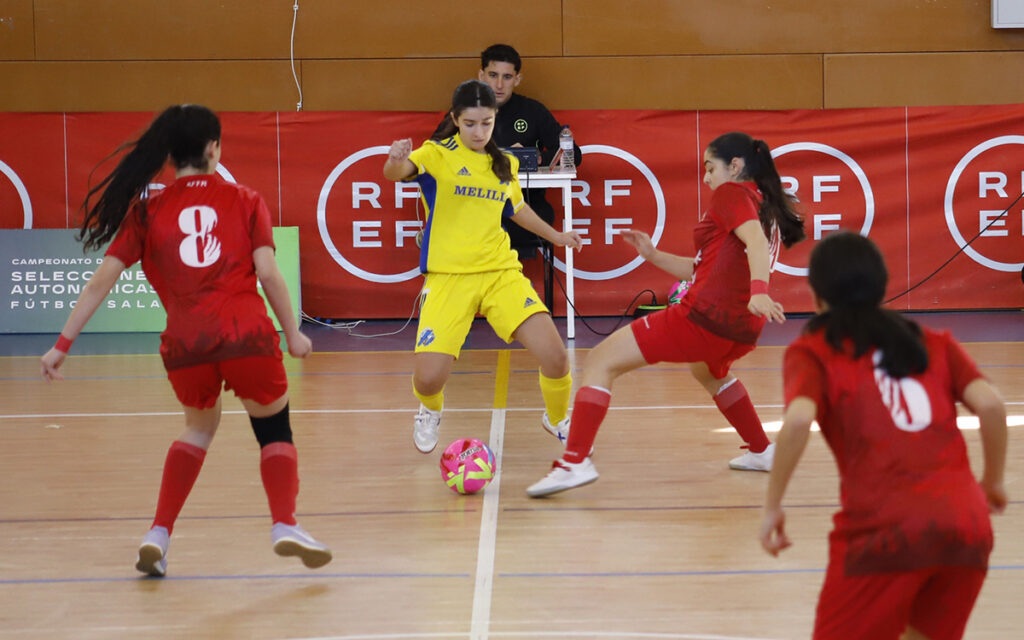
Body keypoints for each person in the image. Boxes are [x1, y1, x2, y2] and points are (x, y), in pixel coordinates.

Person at [39, 104, 332, 577]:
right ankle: (284, 524)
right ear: (214, 148)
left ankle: (158, 532)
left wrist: (61, 346)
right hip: (245, 334)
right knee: (274, 430)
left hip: (184, 344)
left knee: (197, 429)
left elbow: (100, 282)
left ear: (170, 155)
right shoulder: (245, 199)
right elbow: (270, 274)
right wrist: (294, 333)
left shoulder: (147, 210)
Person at [527, 131, 806, 497]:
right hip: (741, 326)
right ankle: (762, 450)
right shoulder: (761, 202)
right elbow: (701, 268)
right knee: (708, 373)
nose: (706, 178)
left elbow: (753, 242)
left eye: (710, 168)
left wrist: (759, 291)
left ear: (735, 166)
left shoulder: (732, 193)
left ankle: (574, 463)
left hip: (704, 317)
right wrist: (653, 255)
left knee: (599, 362)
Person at [759, 232, 1007, 640]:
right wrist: (993, 482)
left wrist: (772, 506)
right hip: (967, 527)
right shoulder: (932, 341)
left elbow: (799, 422)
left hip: (883, 533)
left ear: (817, 295)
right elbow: (993, 407)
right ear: (882, 285)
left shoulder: (814, 351)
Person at [384, 79, 583, 455]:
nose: (479, 131)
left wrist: (556, 237)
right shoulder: (435, 154)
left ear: (495, 119)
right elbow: (395, 174)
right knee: (428, 381)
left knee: (556, 357)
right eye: (471, 123)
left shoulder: (504, 163)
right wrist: (395, 159)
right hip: (448, 278)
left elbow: (517, 209)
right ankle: (430, 408)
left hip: (499, 274)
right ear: (456, 120)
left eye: (487, 123)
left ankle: (557, 418)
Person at [433, 43, 582, 300]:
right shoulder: (465, 112)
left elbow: (573, 154)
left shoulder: (533, 111)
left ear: (517, 79)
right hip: (472, 213)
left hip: (525, 210)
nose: (499, 84)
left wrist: (534, 157)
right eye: (493, 75)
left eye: (507, 77)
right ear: (481, 76)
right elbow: (437, 151)